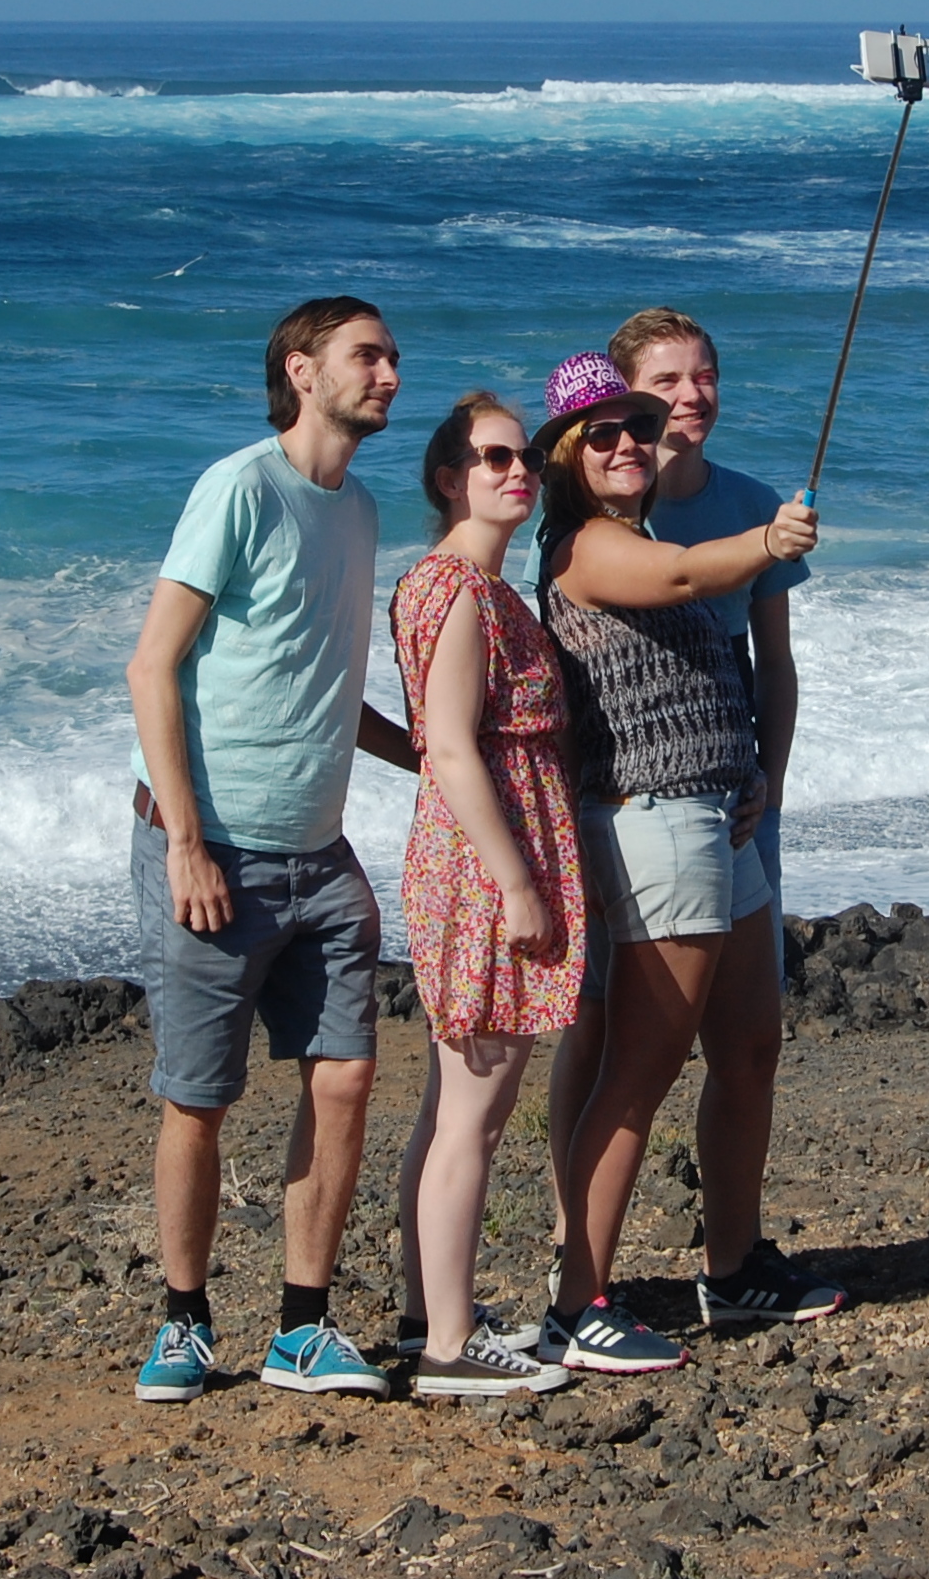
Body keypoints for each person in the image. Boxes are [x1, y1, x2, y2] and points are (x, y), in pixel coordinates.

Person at [123, 296, 417, 1404]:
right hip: (216, 850)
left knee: (344, 1074)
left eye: (391, 356)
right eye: (367, 355)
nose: (389, 372)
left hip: (320, 854)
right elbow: (153, 665)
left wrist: (434, 760)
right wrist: (187, 844)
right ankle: (184, 1319)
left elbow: (327, 689)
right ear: (302, 370)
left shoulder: (361, 510)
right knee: (197, 1095)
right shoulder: (240, 487)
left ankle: (302, 1324)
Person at [530, 350, 818, 1372]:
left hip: (716, 817)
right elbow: (691, 575)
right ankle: (578, 1302)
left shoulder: (636, 530)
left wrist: (751, 771)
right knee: (637, 1069)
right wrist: (768, 539)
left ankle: (734, 1271)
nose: (624, 444)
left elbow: (717, 657)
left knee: (748, 1041)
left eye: (636, 430)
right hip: (654, 826)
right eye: (600, 433)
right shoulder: (584, 547)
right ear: (566, 454)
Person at [606, 308, 851, 1329]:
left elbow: (773, 663)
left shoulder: (752, 501)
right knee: (624, 1050)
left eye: (704, 374)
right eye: (668, 378)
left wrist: (773, 778)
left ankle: (734, 1259)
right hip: (635, 809)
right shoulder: (605, 511)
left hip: (739, 805)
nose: (691, 393)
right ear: (624, 395)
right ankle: (580, 1279)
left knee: (749, 1041)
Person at [385, 393, 584, 1397]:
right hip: (480, 863)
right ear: (447, 477)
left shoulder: (476, 587)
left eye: (526, 459)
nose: (520, 471)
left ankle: (433, 1306)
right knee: (477, 1104)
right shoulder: (455, 588)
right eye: (496, 457)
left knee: (452, 1099)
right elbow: (453, 745)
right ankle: (450, 1347)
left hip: (481, 850)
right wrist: (515, 880)